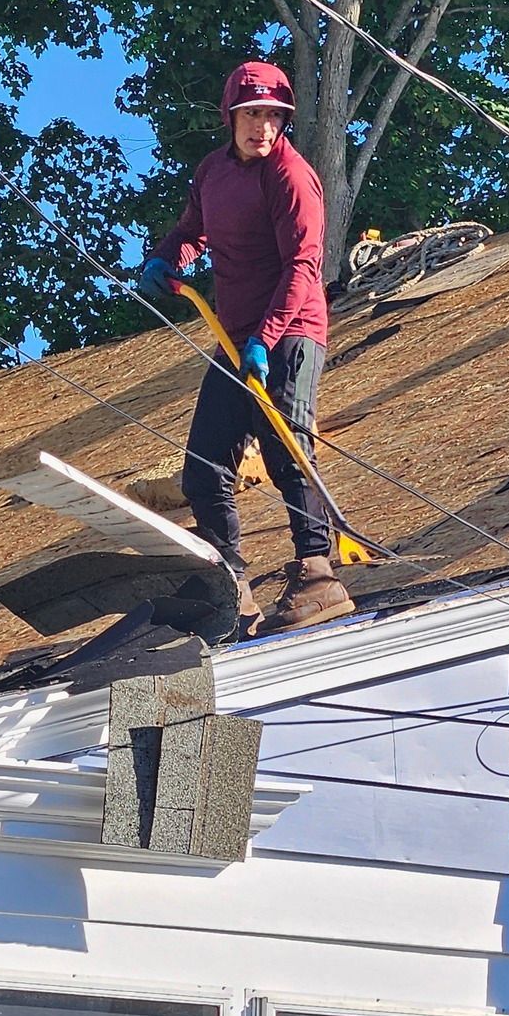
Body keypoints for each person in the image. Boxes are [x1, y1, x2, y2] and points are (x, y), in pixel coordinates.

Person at [141, 59, 354, 633]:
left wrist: (267, 338)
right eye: (252, 115)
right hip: (233, 336)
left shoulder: (290, 176)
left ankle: (318, 575)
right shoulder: (213, 173)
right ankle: (230, 585)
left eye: (273, 116)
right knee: (204, 468)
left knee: (287, 448)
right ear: (231, 117)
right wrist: (167, 259)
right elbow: (192, 231)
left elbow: (303, 266)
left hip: (290, 332)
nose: (263, 127)